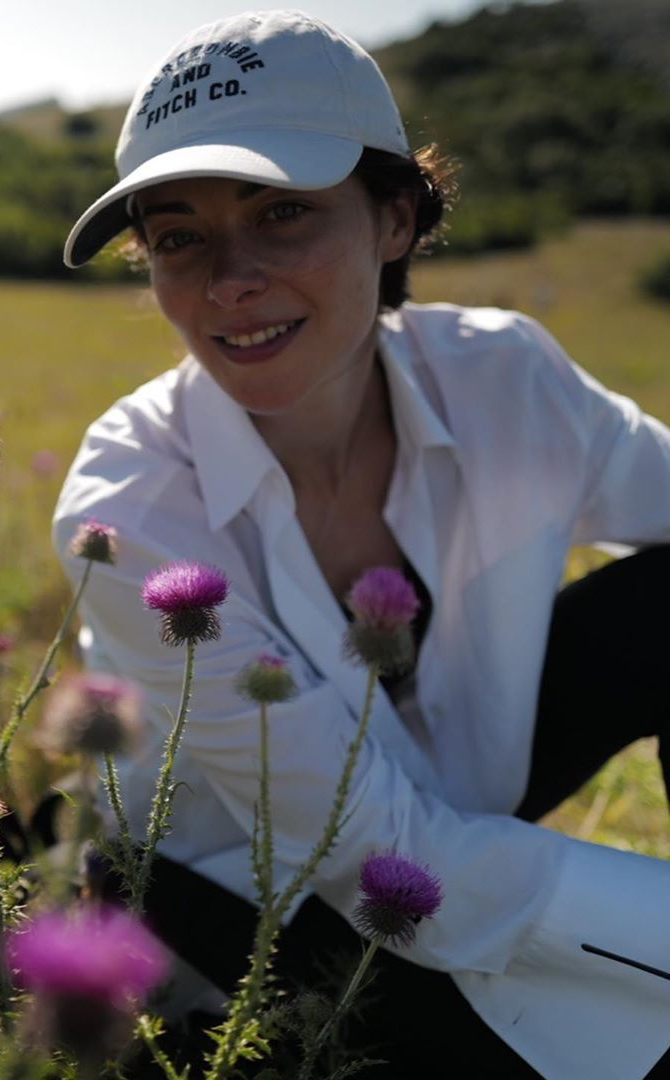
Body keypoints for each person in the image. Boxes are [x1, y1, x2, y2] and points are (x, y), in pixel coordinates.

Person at [52, 10, 670, 1079]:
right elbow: (372, 855)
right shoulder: (133, 509)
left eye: (283, 211)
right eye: (177, 235)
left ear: (394, 217)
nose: (228, 278)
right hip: (268, 898)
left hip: (456, 792)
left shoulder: (506, 376)